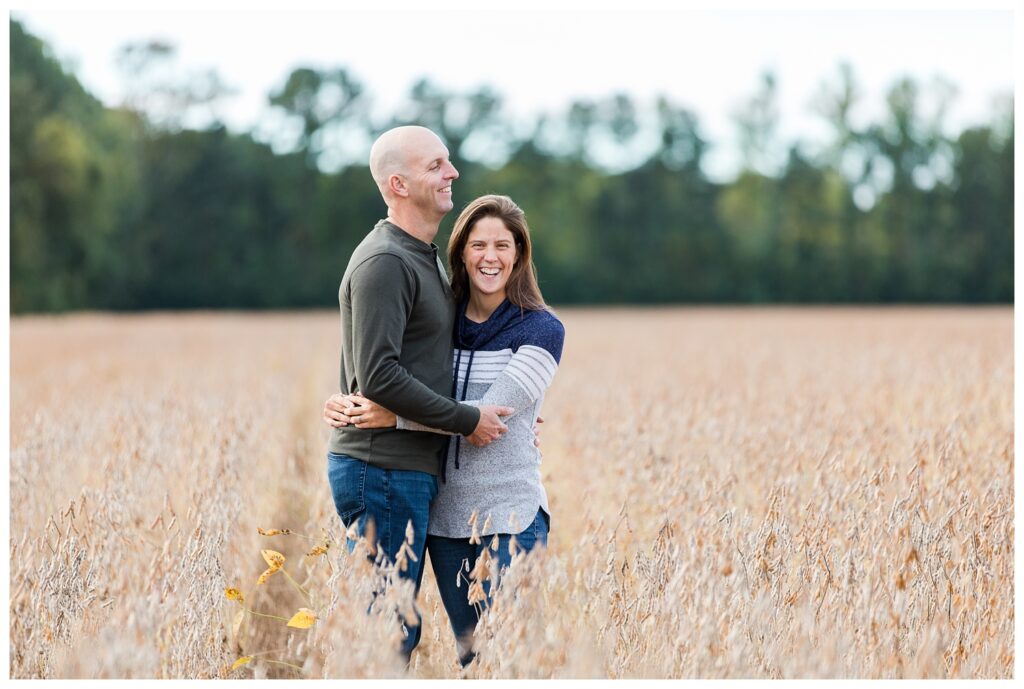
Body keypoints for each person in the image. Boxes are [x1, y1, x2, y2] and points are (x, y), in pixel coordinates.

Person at [325, 194, 564, 667]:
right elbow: (399, 370)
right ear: (460, 254)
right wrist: (347, 398)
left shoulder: (542, 329)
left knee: (504, 657)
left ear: (519, 254)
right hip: (445, 520)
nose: (490, 257)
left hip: (507, 517)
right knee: (472, 654)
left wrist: (391, 416)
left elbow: (487, 416)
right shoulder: (444, 321)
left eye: (502, 245)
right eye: (478, 245)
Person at [326, 126, 513, 664]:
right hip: (381, 468)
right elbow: (378, 375)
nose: (452, 173)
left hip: (408, 467)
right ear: (398, 184)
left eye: (448, 162)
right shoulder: (385, 261)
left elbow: (418, 362)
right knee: (390, 629)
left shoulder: (422, 256)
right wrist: (467, 419)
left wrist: (506, 415)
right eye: (435, 165)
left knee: (413, 627)